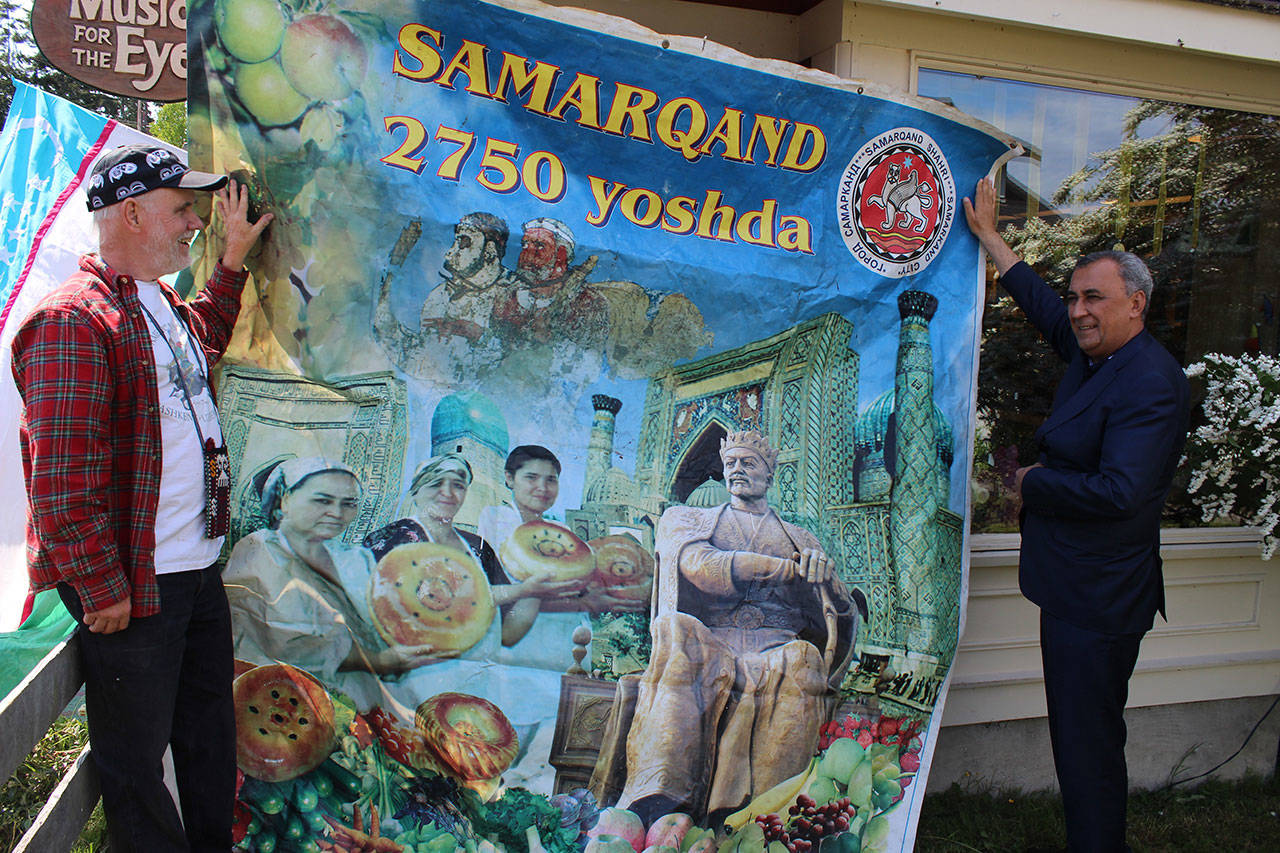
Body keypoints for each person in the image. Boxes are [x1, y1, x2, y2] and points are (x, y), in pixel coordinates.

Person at [11, 144, 271, 852]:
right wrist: (101, 586)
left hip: (193, 571)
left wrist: (232, 262)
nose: (195, 221)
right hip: (136, 583)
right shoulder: (73, 319)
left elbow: (202, 344)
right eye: (182, 208)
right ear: (131, 213)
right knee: (136, 773)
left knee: (208, 742)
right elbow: (60, 478)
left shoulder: (159, 303)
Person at [963, 176, 1190, 852]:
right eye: (1076, 296)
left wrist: (1033, 481)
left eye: (1095, 298)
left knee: (1088, 743)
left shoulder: (1150, 381)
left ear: (1136, 304)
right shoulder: (1099, 354)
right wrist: (992, 239)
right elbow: (1043, 307)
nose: (1079, 311)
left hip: (1101, 600)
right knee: (1078, 734)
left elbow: (1121, 492)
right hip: (1074, 587)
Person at [598, 430, 863, 825]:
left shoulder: (801, 538)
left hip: (776, 648)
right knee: (678, 631)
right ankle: (660, 801)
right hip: (712, 644)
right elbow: (699, 566)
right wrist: (779, 568)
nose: (737, 470)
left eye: (748, 463)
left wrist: (828, 582)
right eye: (731, 463)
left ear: (769, 474)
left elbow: (836, 613)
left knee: (803, 658)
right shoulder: (691, 520)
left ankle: (765, 818)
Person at [223, 458, 437, 700]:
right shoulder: (259, 549)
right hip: (276, 692)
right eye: (322, 500)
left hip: (357, 690)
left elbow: (380, 619)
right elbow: (286, 643)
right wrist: (377, 661)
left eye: (348, 504)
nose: (336, 513)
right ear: (286, 500)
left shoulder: (355, 557)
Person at [363, 452, 574, 649]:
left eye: (458, 485)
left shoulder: (477, 547)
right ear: (416, 492)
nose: (447, 493)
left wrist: (535, 590)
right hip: (413, 666)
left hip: (476, 667)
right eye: (435, 483)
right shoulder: (390, 539)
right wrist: (522, 590)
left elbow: (507, 629)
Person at [477, 445, 642, 669]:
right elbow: (489, 594)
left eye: (551, 480)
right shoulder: (496, 519)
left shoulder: (561, 531)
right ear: (509, 478)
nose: (542, 488)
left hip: (559, 646)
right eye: (531, 478)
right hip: (512, 648)